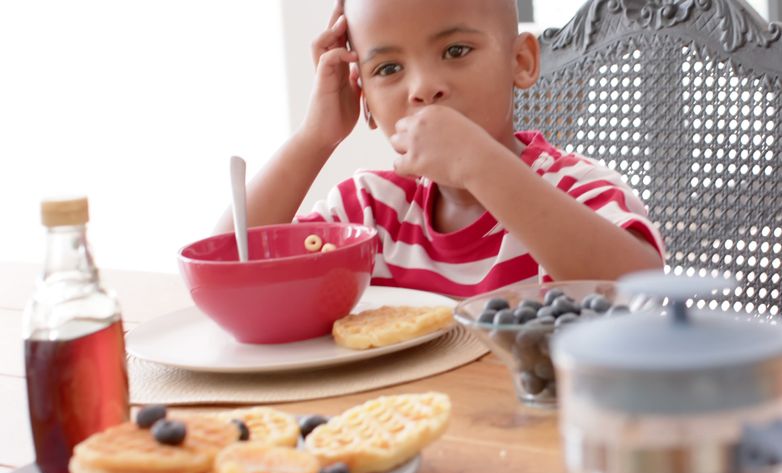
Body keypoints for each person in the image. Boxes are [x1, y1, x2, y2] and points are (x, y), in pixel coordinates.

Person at [217, 0, 664, 296]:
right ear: (365, 101)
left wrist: (480, 165)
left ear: (521, 62)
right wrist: (315, 138)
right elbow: (223, 266)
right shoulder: (369, 212)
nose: (424, 86)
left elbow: (640, 290)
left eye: (455, 51)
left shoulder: (576, 190)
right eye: (389, 68)